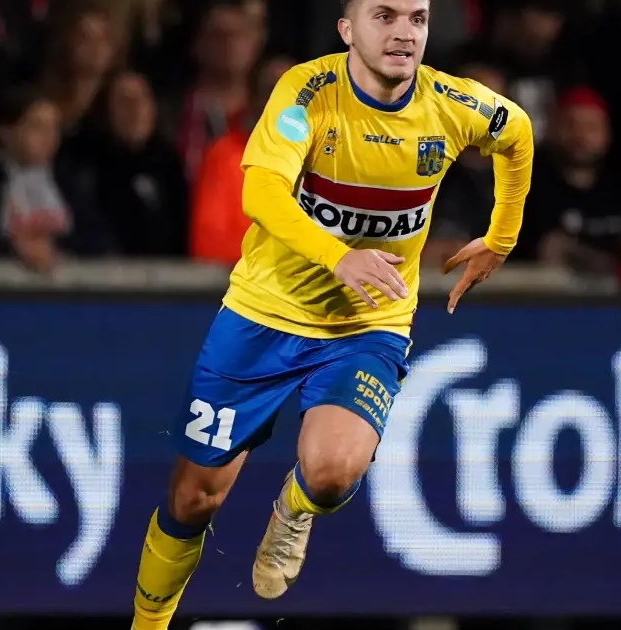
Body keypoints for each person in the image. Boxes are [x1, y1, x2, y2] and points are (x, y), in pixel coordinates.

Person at [128, 0, 534, 627]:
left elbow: (518, 134)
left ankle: (293, 512)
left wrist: (501, 237)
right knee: (193, 499)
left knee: (332, 474)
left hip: (367, 324)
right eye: (385, 16)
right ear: (347, 30)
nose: (404, 32)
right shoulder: (307, 93)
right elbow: (261, 189)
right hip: (263, 315)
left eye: (418, 19)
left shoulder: (453, 105)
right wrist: (337, 256)